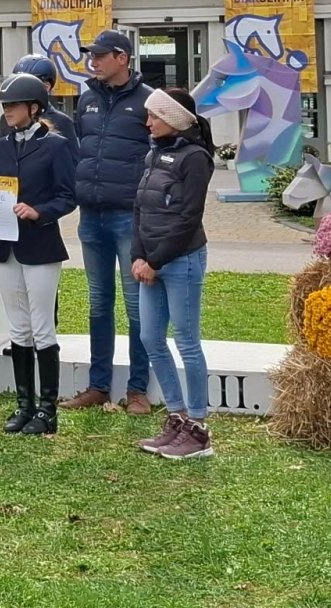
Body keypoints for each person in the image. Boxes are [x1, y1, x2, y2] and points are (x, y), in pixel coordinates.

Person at [0, 73, 78, 436]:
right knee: (18, 327)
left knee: (41, 326)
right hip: (4, 245)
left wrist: (39, 211)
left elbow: (67, 195)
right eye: (4, 106)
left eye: (13, 106)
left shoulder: (56, 145)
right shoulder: (1, 147)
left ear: (34, 108)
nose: (7, 112)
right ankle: (24, 405)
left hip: (40, 244)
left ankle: (48, 410)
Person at [63, 29, 153, 416]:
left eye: (100, 56)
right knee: (99, 304)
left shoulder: (150, 101)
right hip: (91, 217)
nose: (93, 62)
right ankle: (99, 386)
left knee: (136, 307)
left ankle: (137, 390)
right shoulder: (86, 100)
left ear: (122, 57)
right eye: (92, 56)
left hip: (128, 219)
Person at [133, 87, 216, 460]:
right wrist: (138, 255)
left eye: (155, 116)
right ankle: (177, 416)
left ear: (176, 119)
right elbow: (139, 208)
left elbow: (188, 218)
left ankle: (199, 429)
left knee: (186, 340)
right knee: (151, 338)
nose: (148, 122)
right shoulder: (154, 152)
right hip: (150, 263)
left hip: (180, 261)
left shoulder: (195, 158)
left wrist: (156, 260)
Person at [0, 55, 77, 142]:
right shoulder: (6, 119)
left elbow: (71, 154)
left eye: (28, 84)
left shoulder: (62, 121)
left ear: (46, 87)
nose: (20, 89)